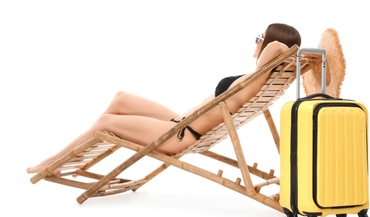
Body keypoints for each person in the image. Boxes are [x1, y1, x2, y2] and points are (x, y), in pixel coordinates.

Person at [27, 23, 301, 174]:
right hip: (181, 122)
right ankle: (58, 158)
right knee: (122, 98)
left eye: (258, 38)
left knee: (105, 122)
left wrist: (282, 45)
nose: (256, 43)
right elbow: (276, 47)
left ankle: (50, 162)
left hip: (179, 135)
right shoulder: (256, 78)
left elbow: (277, 45)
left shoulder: (255, 79)